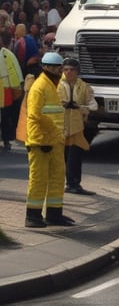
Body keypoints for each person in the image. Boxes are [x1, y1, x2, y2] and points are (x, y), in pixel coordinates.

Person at [24, 51, 75, 228]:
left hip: (54, 141)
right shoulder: (40, 87)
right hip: (41, 141)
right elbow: (35, 114)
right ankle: (33, 215)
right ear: (45, 67)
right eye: (54, 67)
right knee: (38, 179)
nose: (58, 70)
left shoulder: (53, 85)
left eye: (59, 67)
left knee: (57, 177)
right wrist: (54, 132)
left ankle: (54, 213)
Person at [58, 57, 97, 195]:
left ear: (77, 72)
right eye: (66, 69)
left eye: (72, 70)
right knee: (60, 156)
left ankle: (73, 184)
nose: (68, 72)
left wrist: (80, 107)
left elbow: (93, 105)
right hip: (60, 127)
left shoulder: (84, 87)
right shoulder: (57, 85)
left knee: (74, 156)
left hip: (77, 128)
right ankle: (60, 184)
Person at [0, 29, 24, 150]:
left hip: (5, 90)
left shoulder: (7, 54)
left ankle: (6, 140)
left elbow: (15, 71)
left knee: (5, 116)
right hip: (5, 89)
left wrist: (16, 87)